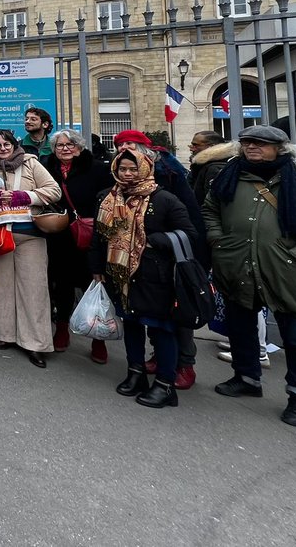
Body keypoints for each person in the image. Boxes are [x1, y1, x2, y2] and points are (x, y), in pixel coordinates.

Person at [204, 125, 296, 427]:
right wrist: (219, 241)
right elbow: (210, 211)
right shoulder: (230, 179)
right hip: (237, 266)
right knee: (240, 328)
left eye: (259, 143)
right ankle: (246, 378)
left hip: (287, 274)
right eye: (246, 143)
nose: (251, 147)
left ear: (280, 148)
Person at [90, 146, 201, 408]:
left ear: (145, 168)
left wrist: (149, 241)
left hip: (155, 276)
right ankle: (135, 372)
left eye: (133, 168)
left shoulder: (164, 199)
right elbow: (99, 236)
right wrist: (96, 268)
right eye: (122, 169)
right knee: (132, 325)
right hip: (119, 273)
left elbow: (189, 233)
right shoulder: (106, 197)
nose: (127, 174)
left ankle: (164, 383)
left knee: (162, 329)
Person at [114, 129, 205, 387]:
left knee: (173, 318)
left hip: (167, 262)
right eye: (120, 146)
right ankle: (154, 360)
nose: (124, 150)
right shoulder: (116, 190)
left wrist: (153, 241)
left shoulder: (168, 177)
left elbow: (189, 221)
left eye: (130, 144)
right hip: (130, 265)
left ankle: (183, 364)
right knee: (140, 316)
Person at [0, 128, 62, 367]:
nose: (1, 148)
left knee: (34, 290)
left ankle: (36, 343)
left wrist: (25, 196)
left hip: (30, 235)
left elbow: (54, 190)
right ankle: (4, 334)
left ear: (14, 144)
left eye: (5, 143)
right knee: (0, 287)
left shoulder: (30, 163)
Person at [43, 129, 113, 363]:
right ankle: (61, 330)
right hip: (60, 234)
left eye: (70, 144)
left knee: (92, 286)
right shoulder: (48, 167)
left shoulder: (98, 169)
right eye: (60, 145)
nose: (65, 148)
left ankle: (98, 337)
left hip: (89, 236)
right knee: (61, 285)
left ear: (79, 146)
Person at [188, 130, 234, 206]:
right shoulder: (201, 165)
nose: (192, 149)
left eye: (196, 145)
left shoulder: (214, 168)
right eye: (192, 145)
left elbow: (212, 203)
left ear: (212, 146)